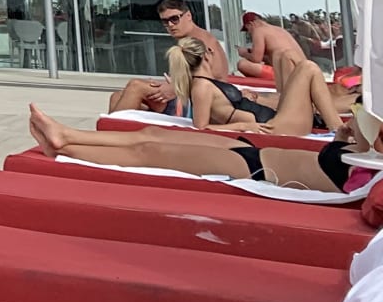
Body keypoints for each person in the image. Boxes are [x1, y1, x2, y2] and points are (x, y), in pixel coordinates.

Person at [27, 103, 371, 194]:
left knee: (150, 153)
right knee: (153, 134)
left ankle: (64, 148)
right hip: (252, 151)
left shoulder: (370, 174)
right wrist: (341, 139)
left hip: (258, 171)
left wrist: (357, 135)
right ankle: (66, 133)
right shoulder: (367, 158)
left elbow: (354, 188)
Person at [109, 0, 245, 112]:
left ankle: (111, 132)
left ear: (188, 16)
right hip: (189, 96)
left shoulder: (198, 42)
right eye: (165, 21)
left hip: (200, 103)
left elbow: (210, 79)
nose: (170, 25)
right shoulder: (192, 38)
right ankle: (114, 130)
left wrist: (174, 89)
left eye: (175, 19)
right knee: (117, 97)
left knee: (135, 86)